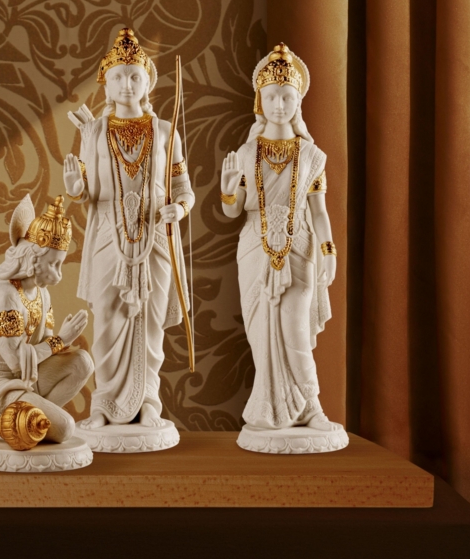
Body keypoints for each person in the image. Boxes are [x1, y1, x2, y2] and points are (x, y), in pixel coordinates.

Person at [62, 27, 193, 442]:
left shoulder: (165, 132)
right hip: (109, 236)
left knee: (149, 324)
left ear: (148, 81)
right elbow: (90, 190)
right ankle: (103, 404)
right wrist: (76, 187)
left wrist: (179, 208)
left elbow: (184, 188)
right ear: (106, 82)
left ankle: (148, 401)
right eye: (118, 76)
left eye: (135, 76)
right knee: (108, 319)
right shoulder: (94, 132)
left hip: (154, 238)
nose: (126, 84)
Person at [220, 43, 341, 438]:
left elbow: (319, 211)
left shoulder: (312, 156)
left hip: (299, 247)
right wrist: (227, 190)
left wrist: (328, 250)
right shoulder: (246, 153)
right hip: (255, 249)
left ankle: (312, 408)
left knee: (296, 332)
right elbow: (233, 211)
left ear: (298, 101)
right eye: (271, 96)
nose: (278, 105)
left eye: (287, 97)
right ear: (260, 99)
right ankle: (271, 410)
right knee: (262, 337)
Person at [0, 196, 93, 447]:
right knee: (65, 427)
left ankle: (26, 418)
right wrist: (60, 340)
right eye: (54, 264)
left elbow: (44, 350)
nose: (58, 273)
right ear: (33, 260)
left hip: (27, 378)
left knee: (83, 362)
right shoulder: (5, 296)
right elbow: (15, 361)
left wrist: (61, 342)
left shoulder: (42, 294)